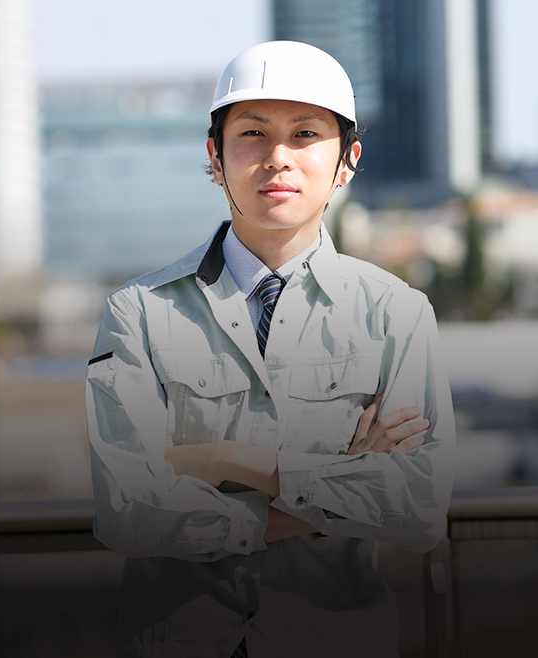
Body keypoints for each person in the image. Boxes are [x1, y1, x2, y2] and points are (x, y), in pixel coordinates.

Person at [86, 41, 455, 658]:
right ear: (215, 156)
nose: (277, 158)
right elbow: (128, 513)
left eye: (305, 133)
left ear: (347, 161)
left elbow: (418, 509)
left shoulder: (397, 314)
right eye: (252, 134)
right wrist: (336, 492)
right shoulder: (139, 312)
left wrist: (230, 459)